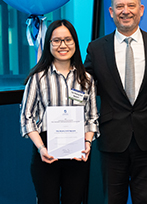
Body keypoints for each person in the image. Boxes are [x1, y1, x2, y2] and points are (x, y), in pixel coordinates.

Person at [84, 0, 147, 204]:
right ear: (111, 12)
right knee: (113, 200)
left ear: (141, 9)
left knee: (145, 200)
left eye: (131, 5)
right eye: (120, 6)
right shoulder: (96, 49)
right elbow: (82, 87)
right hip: (112, 139)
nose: (125, 11)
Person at [20, 19, 99, 204]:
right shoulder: (37, 78)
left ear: (75, 43)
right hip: (46, 151)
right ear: (49, 44)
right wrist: (41, 148)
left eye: (68, 39)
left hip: (77, 151)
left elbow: (92, 117)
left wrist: (87, 143)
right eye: (56, 40)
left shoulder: (86, 79)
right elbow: (26, 117)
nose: (62, 45)